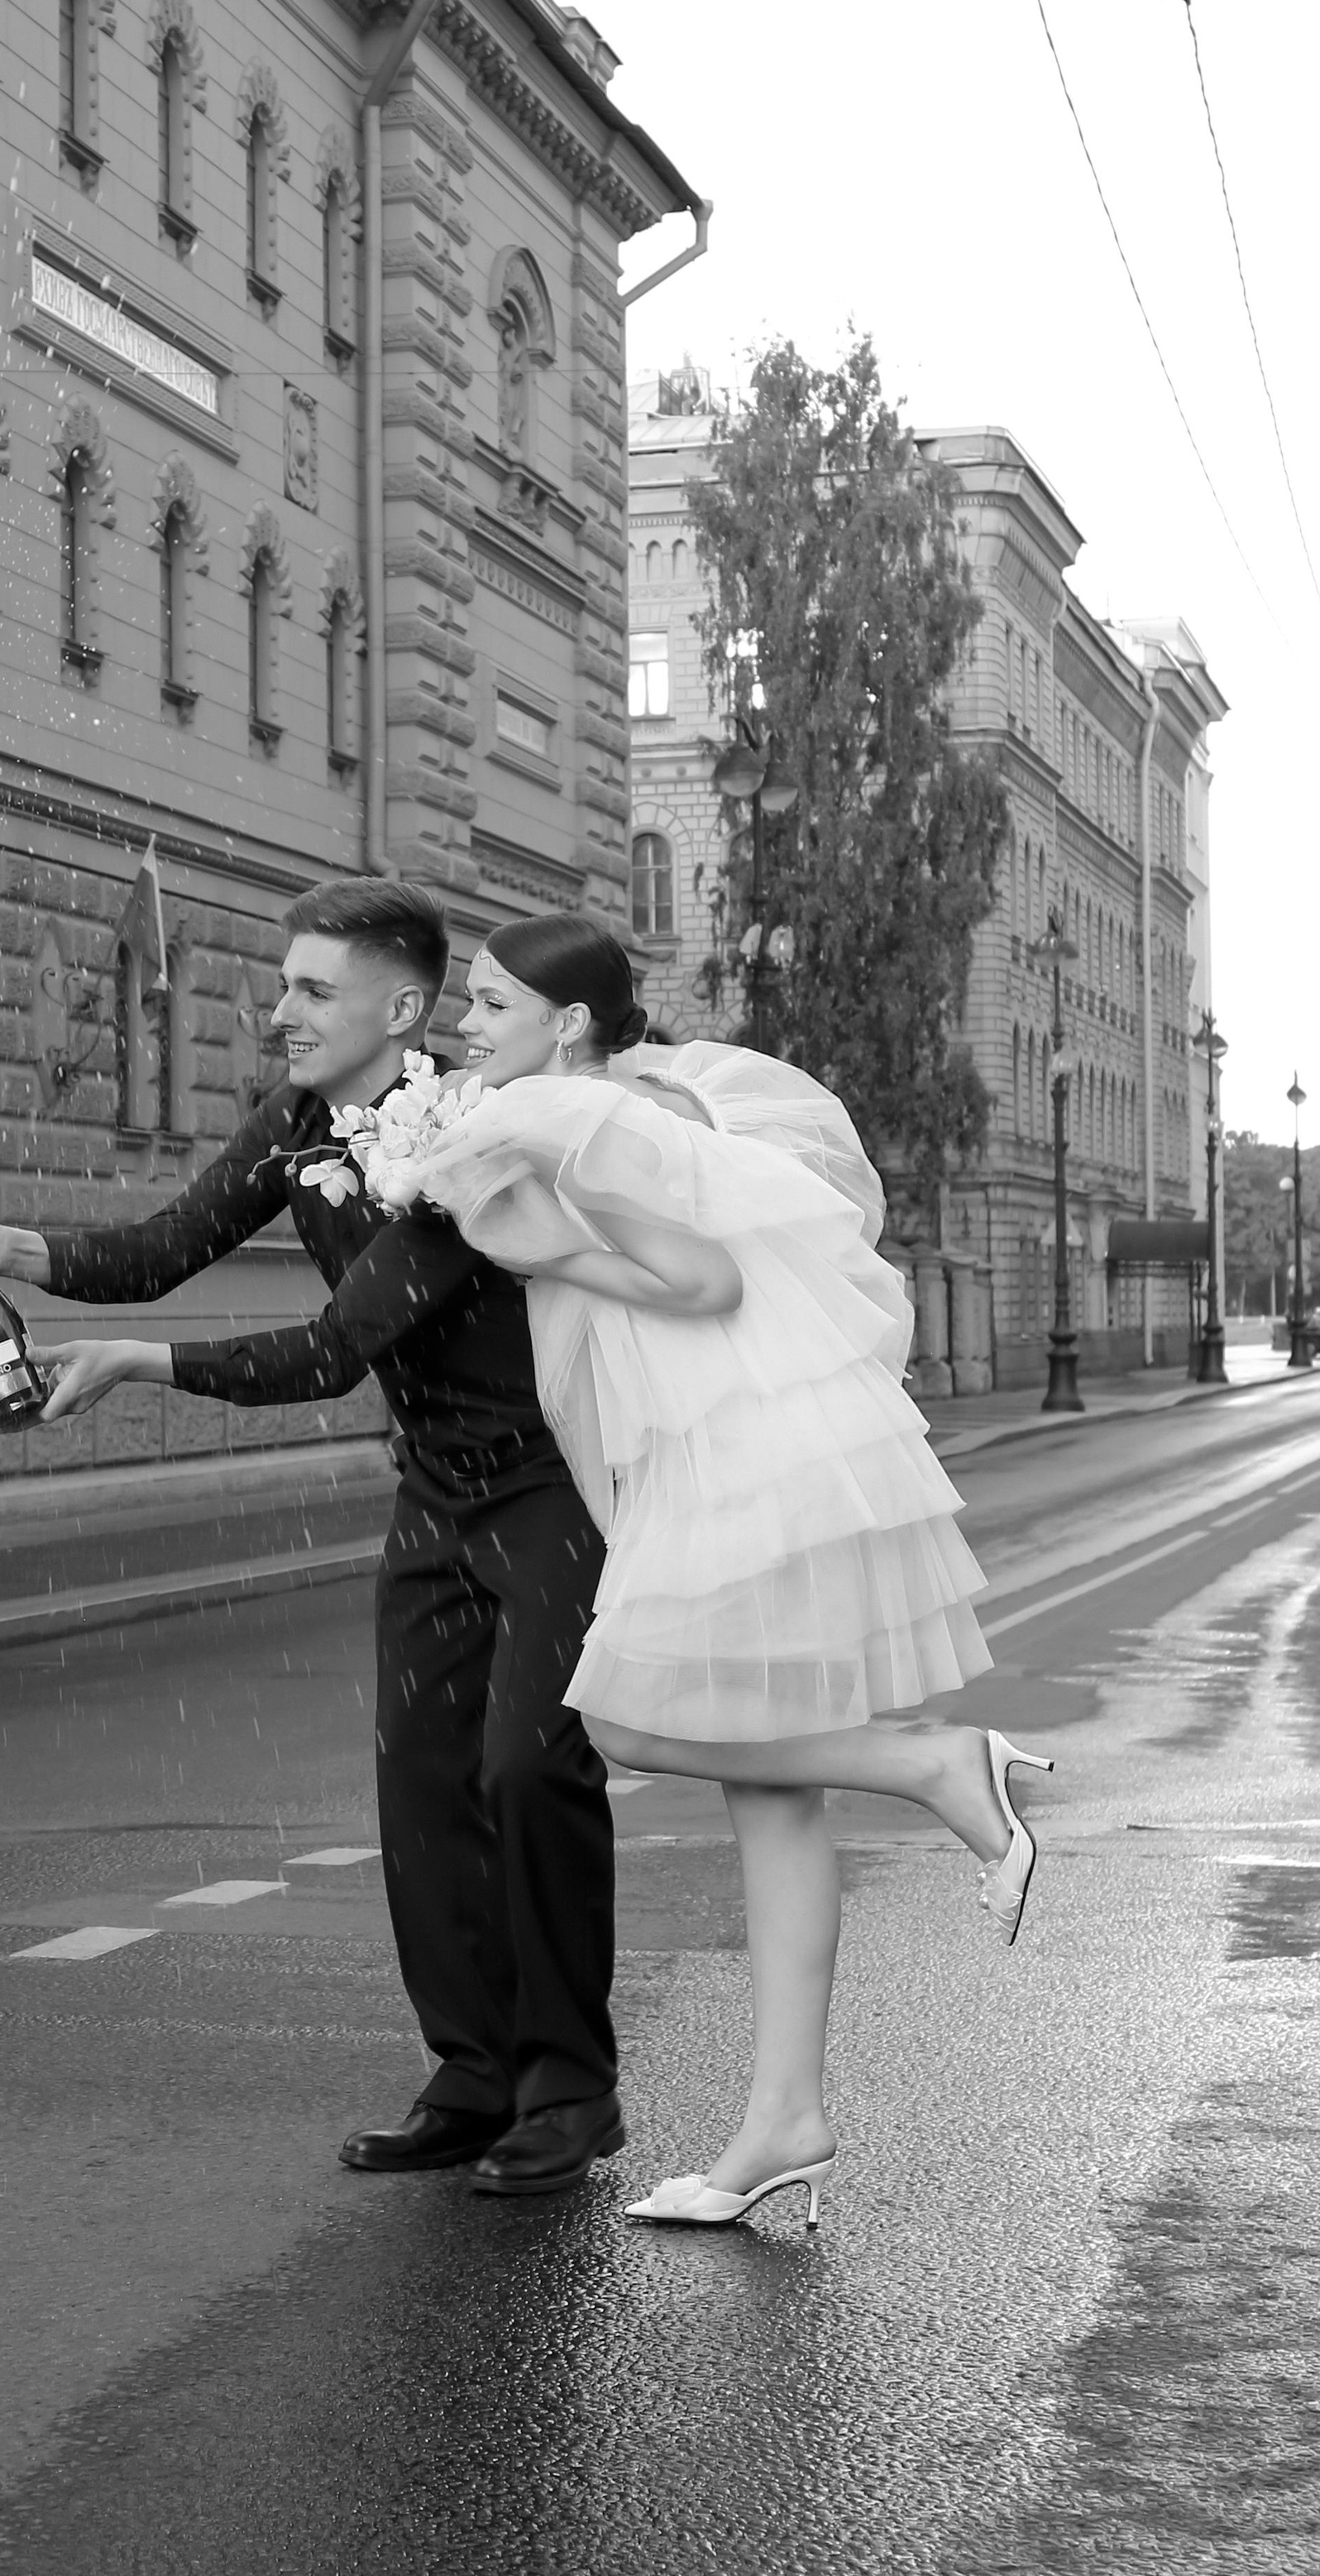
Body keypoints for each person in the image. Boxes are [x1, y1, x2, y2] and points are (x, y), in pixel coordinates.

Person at [0, 880, 626, 2196]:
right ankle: (473, 2076)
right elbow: (168, 1242)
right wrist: (0, 1238)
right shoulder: (299, 1122)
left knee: (528, 1770)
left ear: (402, 1009)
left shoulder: (462, 1133)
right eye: (282, 983)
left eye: (311, 989)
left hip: (547, 1490)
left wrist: (138, 1366)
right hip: (436, 1494)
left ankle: (571, 2087)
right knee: (422, 1787)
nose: (278, 1008)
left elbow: (337, 1347)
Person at [409, 915, 1051, 2234]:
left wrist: (535, 1246)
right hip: (754, 1445)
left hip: (734, 1460)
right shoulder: (632, 1095)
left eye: (488, 1003)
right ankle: (783, 2121)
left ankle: (940, 1765)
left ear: (566, 1023)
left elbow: (696, 1279)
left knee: (626, 1714)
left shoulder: (592, 1119)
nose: (465, 1025)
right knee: (770, 1786)